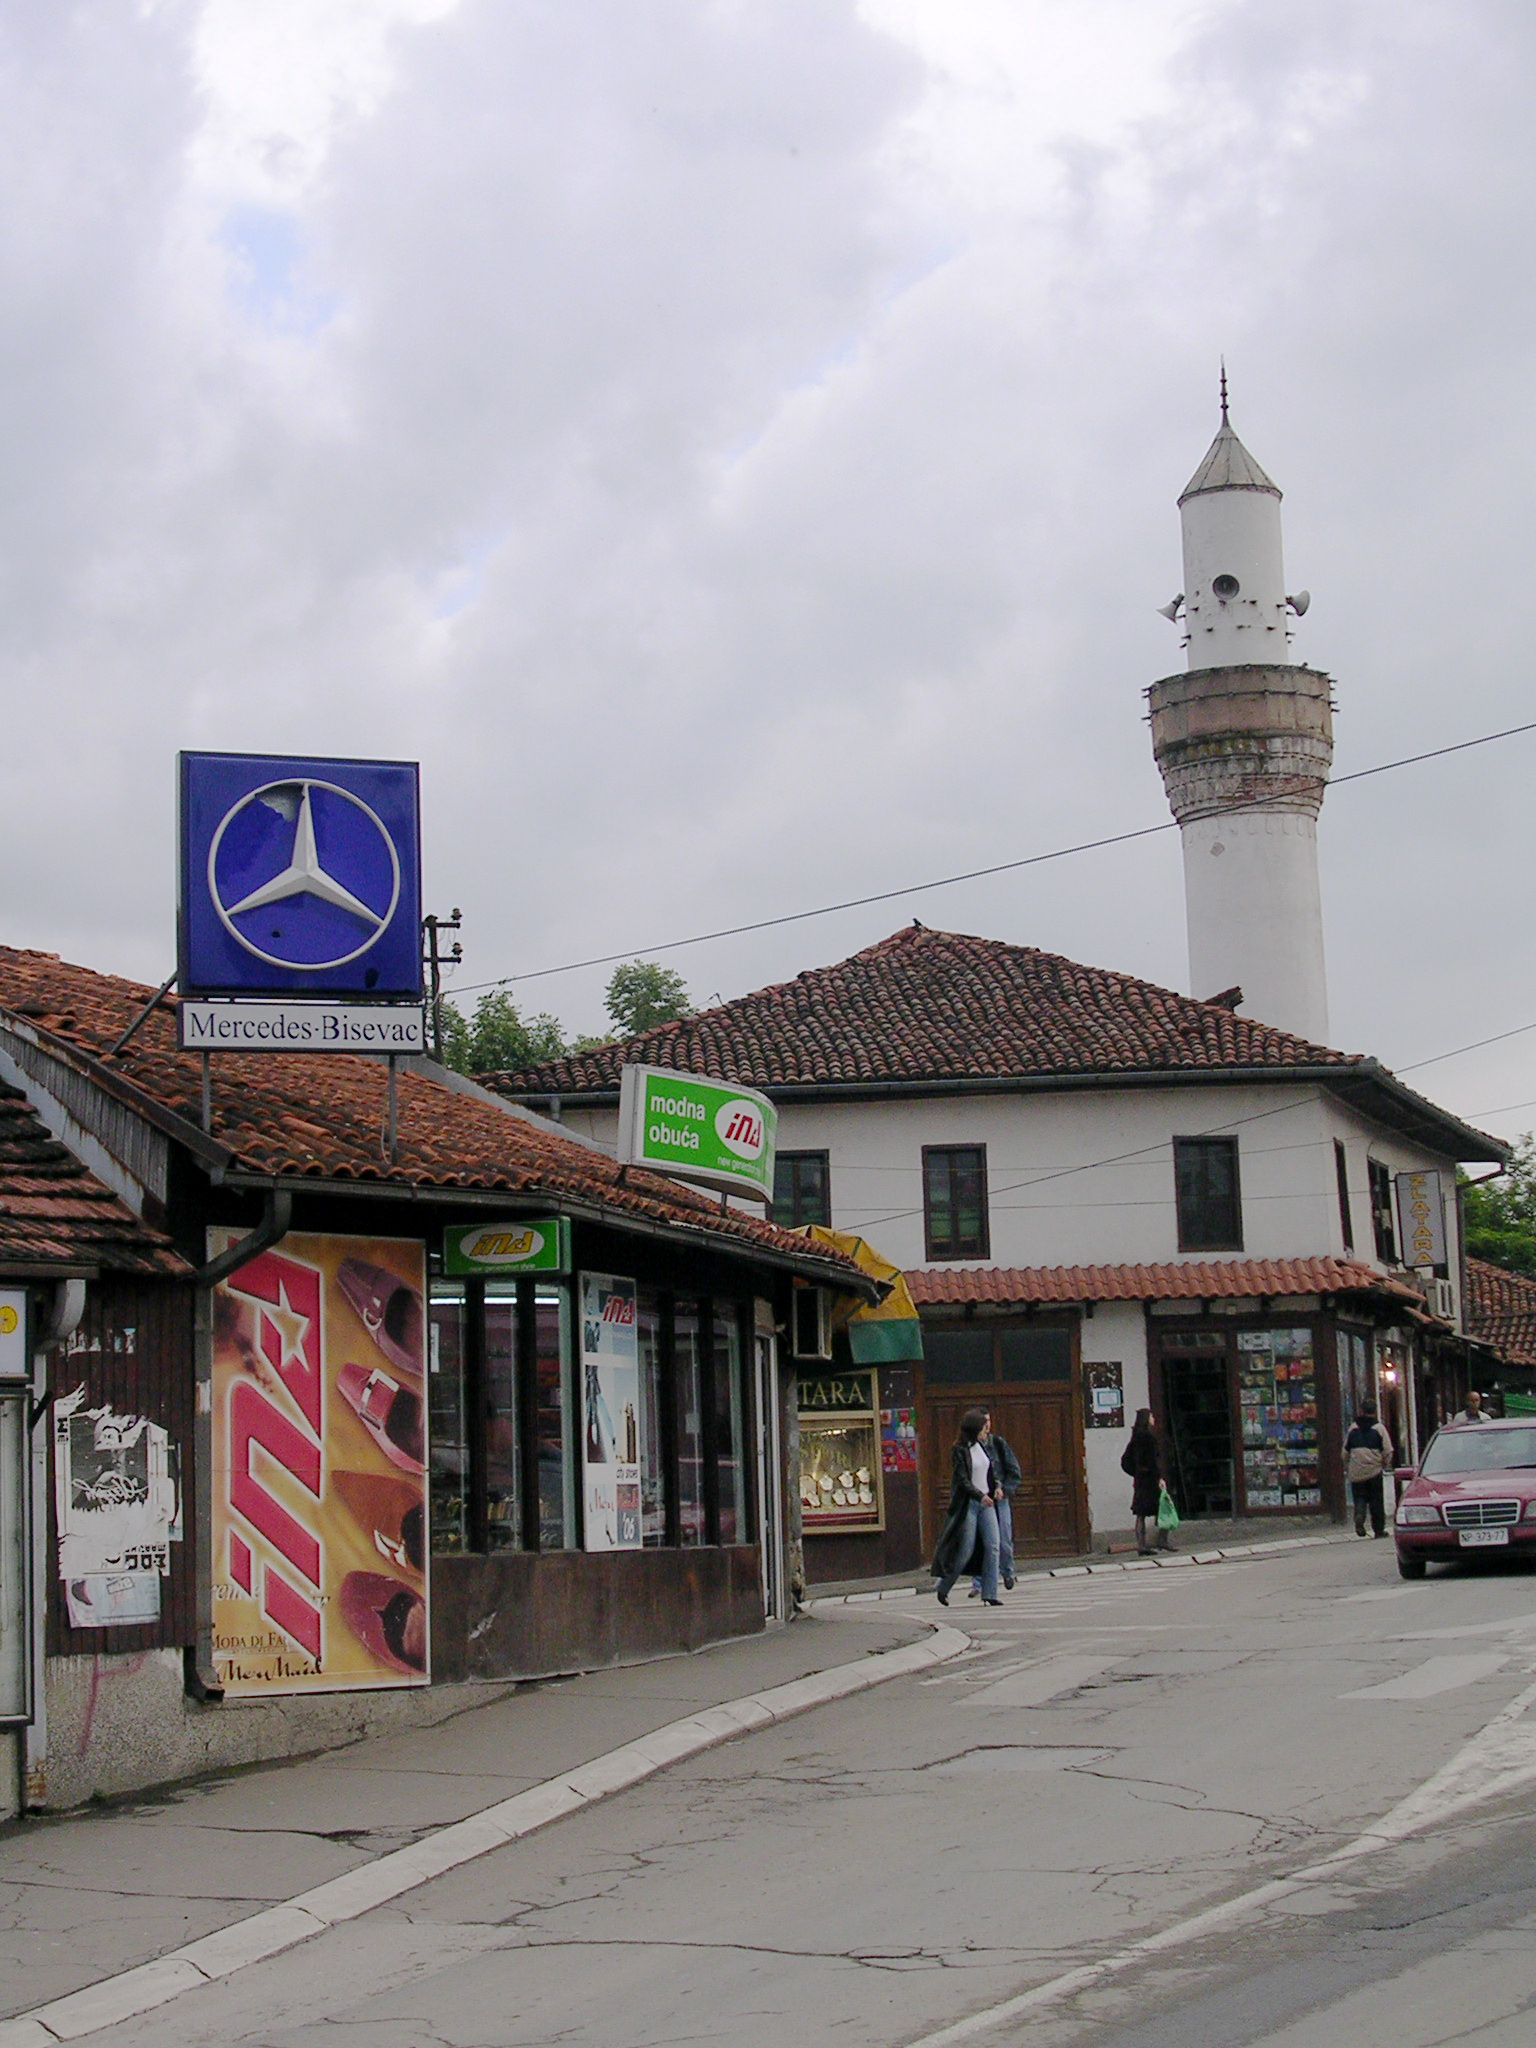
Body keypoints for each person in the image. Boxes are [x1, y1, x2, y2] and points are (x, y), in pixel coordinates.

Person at [931, 1407, 1001, 1607]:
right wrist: (980, 1496)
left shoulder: (983, 1446)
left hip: (986, 1502)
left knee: (993, 1546)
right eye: (982, 1426)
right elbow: (962, 1480)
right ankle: (944, 1587)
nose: (986, 1429)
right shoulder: (959, 1450)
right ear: (973, 1428)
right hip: (969, 1504)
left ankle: (990, 1594)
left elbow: (990, 1471)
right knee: (965, 1550)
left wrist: (996, 1487)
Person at [971, 1413, 1021, 1597]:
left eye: (989, 1421)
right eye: (983, 1422)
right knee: (980, 1542)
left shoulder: (998, 1444)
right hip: (979, 1500)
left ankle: (1007, 1572)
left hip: (999, 1500)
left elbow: (1014, 1472)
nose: (987, 1426)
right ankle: (978, 1583)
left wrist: (1004, 1490)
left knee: (1004, 1538)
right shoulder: (969, 1447)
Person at [1120, 1409, 1171, 1555]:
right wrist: (1159, 1478)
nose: (1153, 1418)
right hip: (1150, 1480)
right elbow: (1154, 1461)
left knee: (1141, 1514)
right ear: (1146, 1419)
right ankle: (1162, 1541)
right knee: (1164, 1508)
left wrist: (1136, 1472)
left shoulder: (1135, 1438)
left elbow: (1125, 1461)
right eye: (1151, 1416)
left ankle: (1141, 1545)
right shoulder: (1149, 1438)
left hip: (1140, 1480)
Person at [1344, 1404, 1394, 1537]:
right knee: (1376, 1501)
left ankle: (1359, 1513)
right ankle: (1378, 1530)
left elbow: (1345, 1452)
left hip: (1356, 1472)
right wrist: (1384, 1463)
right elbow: (1388, 1450)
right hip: (1374, 1471)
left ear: (1361, 1411)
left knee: (1359, 1497)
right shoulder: (1379, 1428)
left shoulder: (1353, 1429)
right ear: (1375, 1411)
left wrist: (1349, 1464)